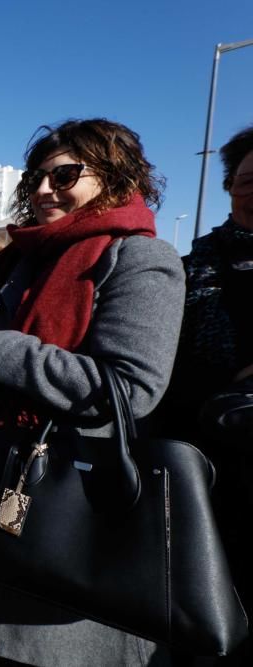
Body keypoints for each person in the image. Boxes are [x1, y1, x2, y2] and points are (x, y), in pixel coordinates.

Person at [0, 118, 184, 666]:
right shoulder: (23, 260)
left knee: (52, 643)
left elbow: (129, 388)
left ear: (116, 177)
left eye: (65, 174)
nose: (45, 189)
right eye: (37, 179)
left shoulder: (141, 258)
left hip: (74, 494)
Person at [160, 124, 253, 624]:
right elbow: (165, 364)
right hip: (208, 463)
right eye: (246, 180)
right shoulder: (195, 265)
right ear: (229, 187)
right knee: (205, 605)